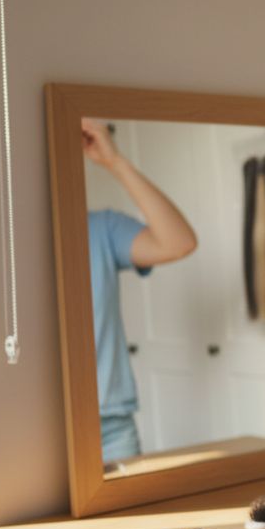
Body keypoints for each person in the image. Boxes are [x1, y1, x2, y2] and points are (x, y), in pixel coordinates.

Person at [81, 119, 198, 463]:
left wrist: (115, 162)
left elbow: (178, 242)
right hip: (32, 427)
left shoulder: (99, 229)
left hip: (112, 425)